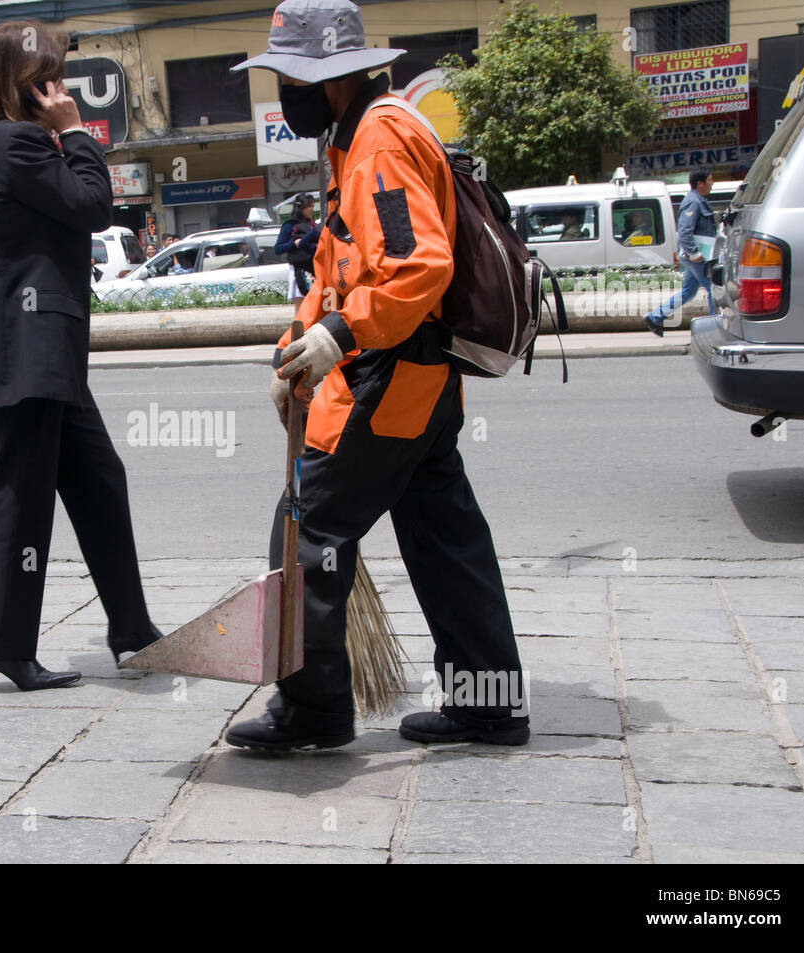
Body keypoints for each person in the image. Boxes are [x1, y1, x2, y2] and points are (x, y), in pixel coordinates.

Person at [223, 0, 528, 752]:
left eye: (287, 78)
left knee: (310, 527)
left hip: (391, 376)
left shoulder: (380, 142)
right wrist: (297, 340)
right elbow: (338, 266)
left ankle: (314, 710)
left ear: (327, 79)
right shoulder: (362, 136)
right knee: (443, 531)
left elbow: (418, 265)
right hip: (420, 380)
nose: (281, 94)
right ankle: (488, 700)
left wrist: (341, 332)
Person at [0, 21, 161, 691]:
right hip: (31, 348)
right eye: (52, 79)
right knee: (21, 496)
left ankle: (132, 630)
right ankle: (6, 645)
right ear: (28, 85)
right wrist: (75, 131)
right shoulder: (14, 142)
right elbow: (94, 207)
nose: (63, 88)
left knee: (99, 481)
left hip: (37, 348)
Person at [645, 166, 716, 335]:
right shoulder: (694, 202)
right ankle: (715, 328)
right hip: (696, 256)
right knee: (713, 288)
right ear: (700, 183)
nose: (712, 184)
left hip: (696, 255)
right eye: (710, 180)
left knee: (689, 291)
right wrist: (694, 253)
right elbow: (684, 231)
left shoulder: (698, 200)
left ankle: (655, 317)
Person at [275, 192, 319, 298]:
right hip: (298, 270)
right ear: (300, 208)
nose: (311, 209)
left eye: (312, 206)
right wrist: (294, 244)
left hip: (314, 269)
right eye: (308, 206)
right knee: (301, 309)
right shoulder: (290, 225)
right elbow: (278, 249)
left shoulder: (313, 225)